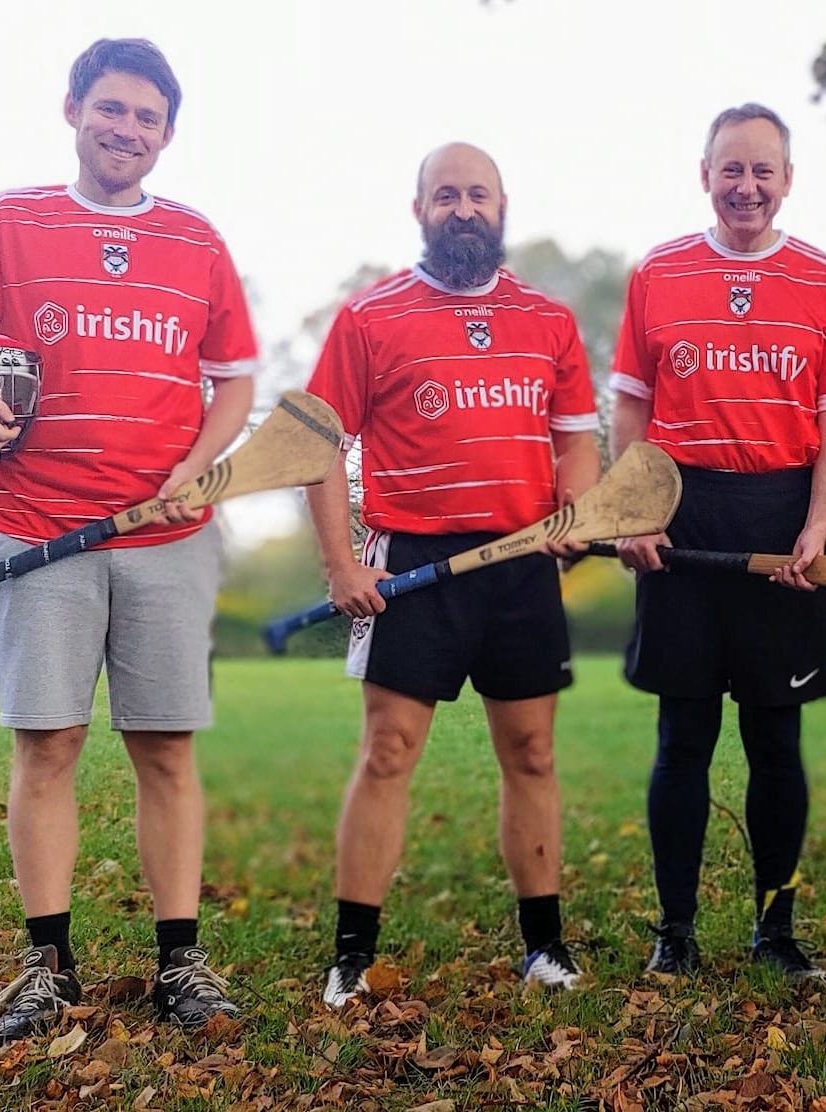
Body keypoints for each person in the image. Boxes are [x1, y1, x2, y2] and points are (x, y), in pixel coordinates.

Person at [0, 38, 257, 1037]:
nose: (127, 129)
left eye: (147, 116)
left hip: (167, 535)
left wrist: (201, 463)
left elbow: (238, 382)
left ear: (168, 132)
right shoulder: (7, 223)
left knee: (165, 748)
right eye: (112, 108)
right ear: (74, 108)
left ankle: (181, 961)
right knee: (45, 745)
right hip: (34, 527)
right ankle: (48, 963)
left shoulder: (197, 240)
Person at [305, 142, 601, 1007]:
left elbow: (576, 438)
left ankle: (545, 947)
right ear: (420, 210)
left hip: (518, 565)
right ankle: (352, 958)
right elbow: (319, 443)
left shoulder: (548, 321)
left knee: (533, 753)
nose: (463, 208)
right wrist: (338, 562)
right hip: (412, 564)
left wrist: (574, 512)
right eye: (446, 195)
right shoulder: (371, 317)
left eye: (478, 194)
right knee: (388, 751)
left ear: (502, 206)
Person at [610, 104, 826, 981]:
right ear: (705, 174)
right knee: (682, 736)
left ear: (788, 180)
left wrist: (817, 521)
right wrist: (634, 512)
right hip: (682, 520)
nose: (747, 186)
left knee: (775, 738)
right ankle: (675, 931)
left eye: (764, 171)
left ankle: (776, 929)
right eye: (733, 169)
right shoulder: (656, 273)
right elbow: (633, 407)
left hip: (781, 519)